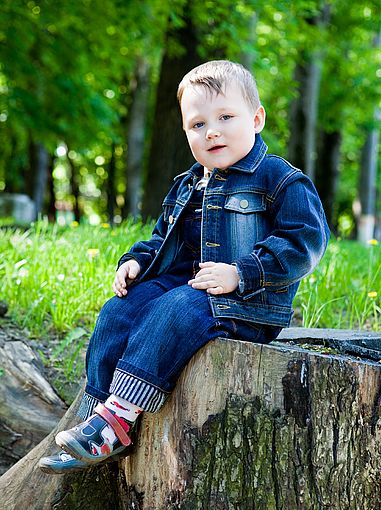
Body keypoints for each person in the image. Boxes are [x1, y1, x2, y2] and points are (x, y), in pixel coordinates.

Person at [38, 59, 329, 474]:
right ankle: (95, 414)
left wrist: (242, 272)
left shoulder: (278, 179)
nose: (212, 131)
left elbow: (305, 242)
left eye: (226, 117)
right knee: (120, 309)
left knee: (176, 308)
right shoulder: (188, 182)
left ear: (257, 118)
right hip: (190, 284)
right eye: (197, 124)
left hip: (247, 301)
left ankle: (117, 420)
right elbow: (162, 237)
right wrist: (136, 262)